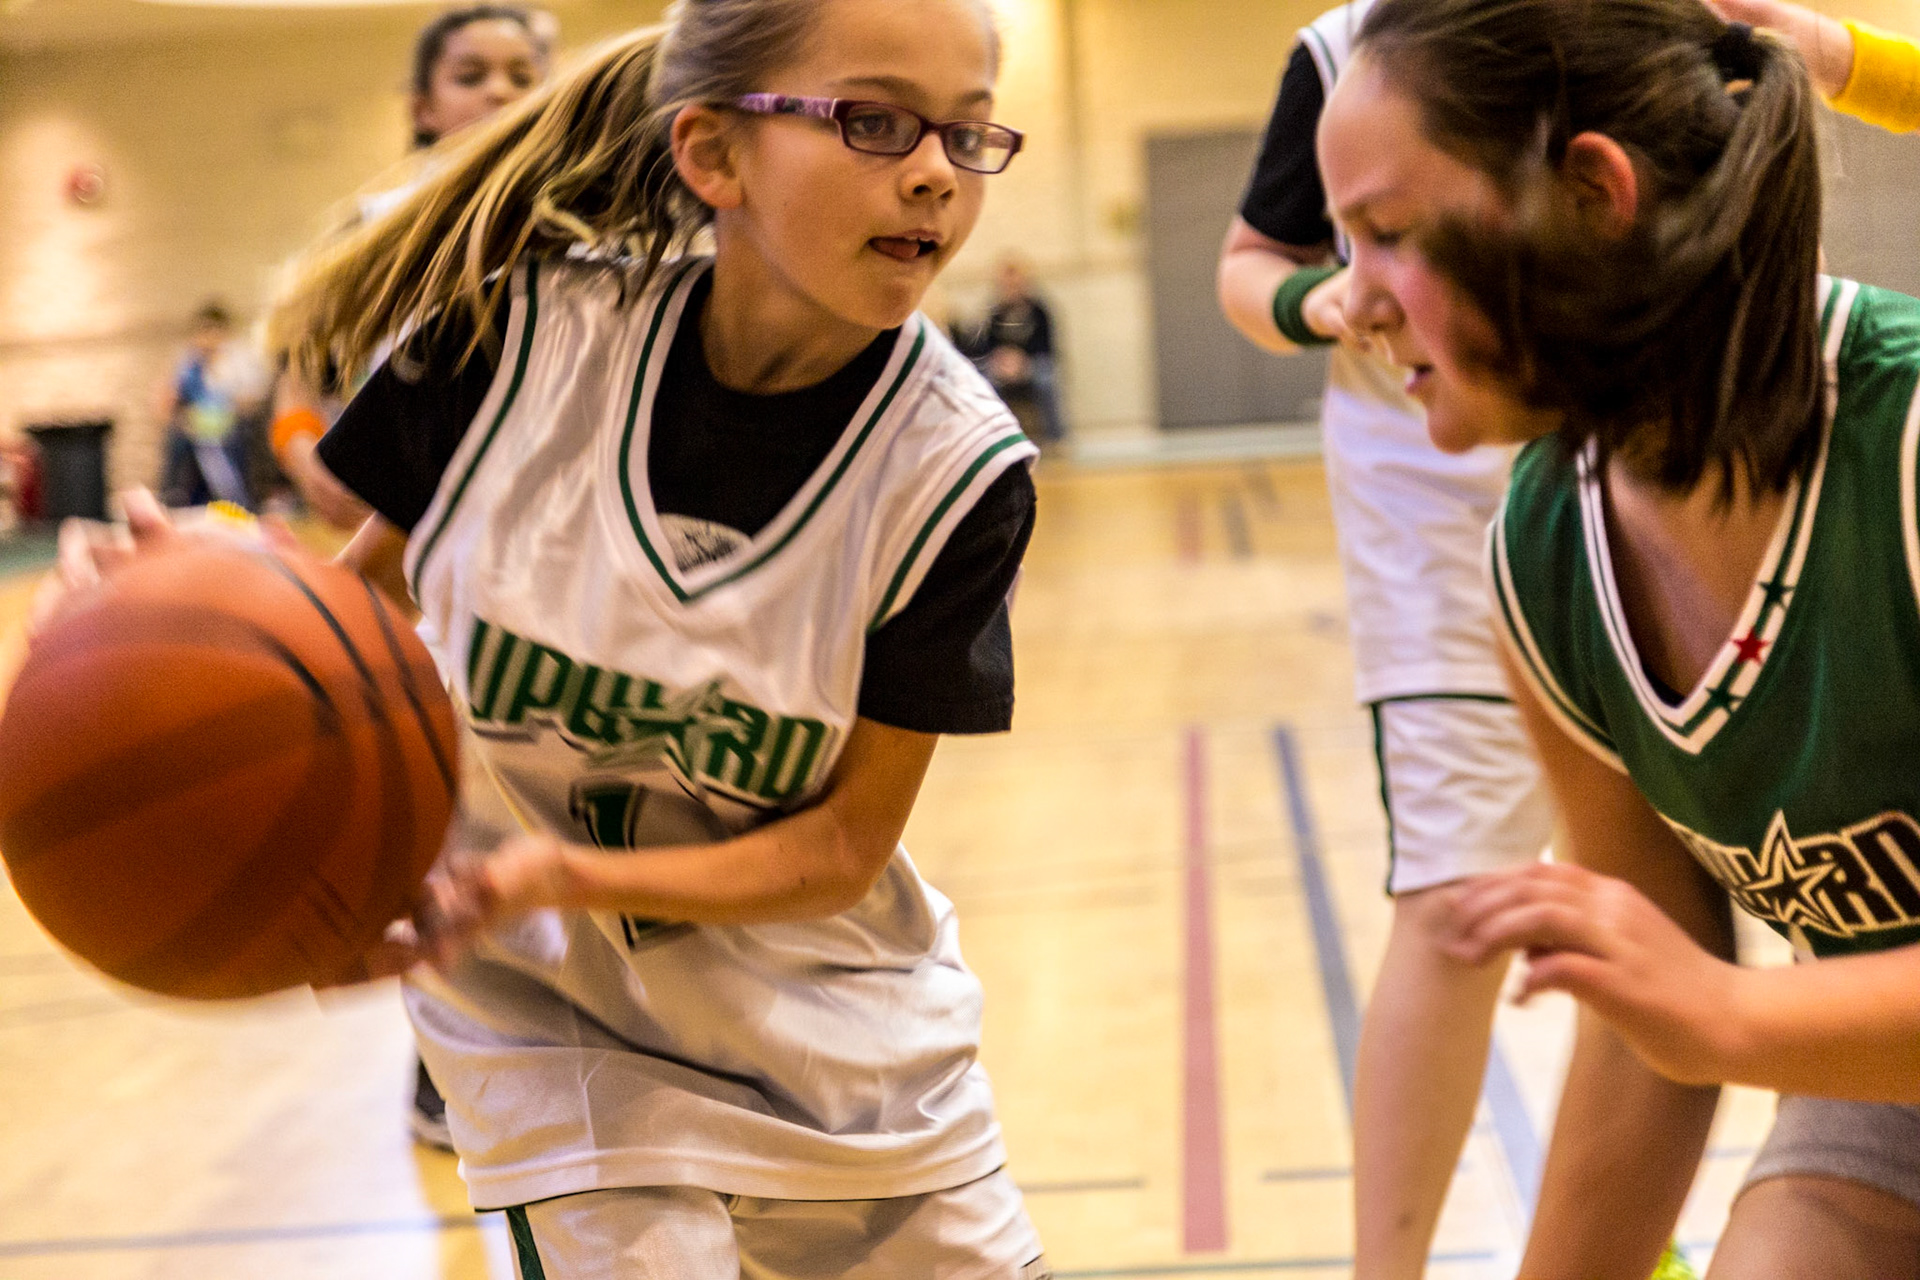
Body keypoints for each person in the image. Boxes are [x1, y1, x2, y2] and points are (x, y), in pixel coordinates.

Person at [267, 0, 1047, 1273]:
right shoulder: (508, 343)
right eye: (875, 121)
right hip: (554, 1031)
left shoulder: (956, 471)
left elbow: (846, 844)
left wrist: (568, 871)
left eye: (967, 135)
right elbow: (346, 631)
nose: (931, 172)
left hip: (842, 1034)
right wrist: (195, 606)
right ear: (713, 155)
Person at [1313, 0, 1920, 1271]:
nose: (1350, 300)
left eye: (1385, 234)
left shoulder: (1902, 445)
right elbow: (1657, 1028)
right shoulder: (1540, 562)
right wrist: (1709, 1013)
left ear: (1594, 194)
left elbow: (1712, 1014)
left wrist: (1737, 1015)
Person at [1214, 7, 1562, 1275]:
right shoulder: (1339, 50)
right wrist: (1330, 296)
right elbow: (1245, 268)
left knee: (1661, 887)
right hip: (1431, 493)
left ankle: (1622, 1229)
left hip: (1626, 439)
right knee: (1462, 893)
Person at [270, 5, 551, 532]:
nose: (500, 91)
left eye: (522, 76)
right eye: (470, 76)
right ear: (424, 109)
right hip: (420, 525)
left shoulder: (588, 223)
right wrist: (308, 461)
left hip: (553, 515)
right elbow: (300, 372)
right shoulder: (379, 227)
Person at [156, 301, 271, 511]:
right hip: (194, 428)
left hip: (229, 427)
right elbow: (166, 401)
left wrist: (222, 411)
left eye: (212, 330)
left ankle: (235, 502)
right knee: (181, 440)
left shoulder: (238, 360)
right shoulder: (188, 362)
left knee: (210, 445)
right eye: (202, 331)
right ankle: (174, 502)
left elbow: (252, 401)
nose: (207, 337)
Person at [971, 257, 1065, 446]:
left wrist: (1022, 361)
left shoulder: (1039, 310)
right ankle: (996, 439)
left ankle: (1056, 439)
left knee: (1045, 379)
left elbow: (1047, 346)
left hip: (1032, 363)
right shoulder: (994, 312)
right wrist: (1002, 360)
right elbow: (983, 345)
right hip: (1003, 366)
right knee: (985, 382)